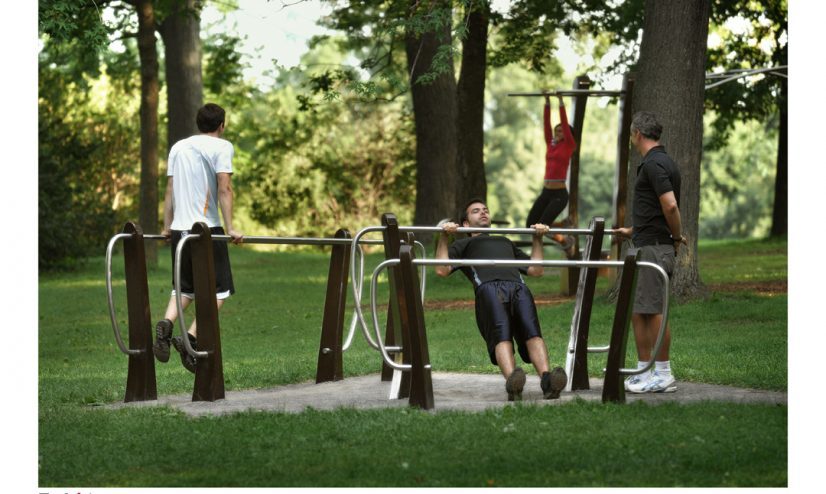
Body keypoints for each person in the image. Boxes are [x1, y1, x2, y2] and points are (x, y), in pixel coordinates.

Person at [436, 198, 568, 401]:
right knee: (502, 335)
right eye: (476, 211)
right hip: (489, 290)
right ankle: (513, 385)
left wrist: (538, 238)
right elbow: (442, 269)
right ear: (465, 223)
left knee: (533, 334)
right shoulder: (463, 243)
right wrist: (444, 238)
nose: (483, 213)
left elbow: (536, 269)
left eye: (486, 210)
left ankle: (547, 381)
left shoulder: (505, 242)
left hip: (518, 288)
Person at [152, 103, 244, 373]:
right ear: (221, 125)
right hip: (207, 230)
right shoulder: (222, 147)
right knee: (221, 290)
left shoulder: (178, 147)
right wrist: (230, 228)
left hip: (181, 229)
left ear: (198, 123)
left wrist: (167, 226)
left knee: (185, 288)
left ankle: (167, 324)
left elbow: (170, 188)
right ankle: (190, 336)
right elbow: (225, 188)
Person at [616, 111, 687, 393]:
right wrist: (633, 231)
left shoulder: (655, 164)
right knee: (640, 310)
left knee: (653, 310)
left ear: (637, 134)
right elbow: (657, 211)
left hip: (655, 248)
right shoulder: (660, 161)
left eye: (632, 136)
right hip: (648, 243)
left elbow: (669, 206)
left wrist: (677, 236)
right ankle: (645, 371)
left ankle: (663, 373)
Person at [525, 94, 577, 256]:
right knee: (530, 225)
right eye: (557, 130)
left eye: (562, 130)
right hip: (546, 192)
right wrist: (547, 103)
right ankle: (562, 226)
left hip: (559, 194)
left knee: (542, 226)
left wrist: (560, 102)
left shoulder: (569, 145)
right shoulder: (551, 144)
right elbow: (546, 125)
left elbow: (566, 128)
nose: (558, 132)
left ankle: (564, 240)